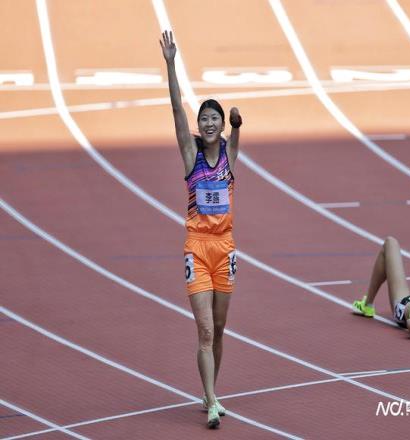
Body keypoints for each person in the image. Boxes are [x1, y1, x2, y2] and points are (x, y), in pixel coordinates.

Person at [160, 30, 242, 428]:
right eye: (204, 119)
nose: (208, 123)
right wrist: (171, 64)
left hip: (225, 248)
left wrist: (238, 124)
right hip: (197, 247)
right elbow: (177, 110)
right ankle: (210, 402)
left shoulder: (229, 153)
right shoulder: (190, 155)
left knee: (221, 328)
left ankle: (212, 391)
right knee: (205, 330)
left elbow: (238, 130)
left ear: (221, 126)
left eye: (214, 119)